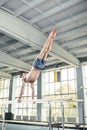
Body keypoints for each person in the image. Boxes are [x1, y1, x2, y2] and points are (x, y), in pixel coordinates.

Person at [18, 29, 56, 102]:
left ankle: (51, 38)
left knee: (46, 51)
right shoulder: (25, 79)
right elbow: (24, 89)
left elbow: (30, 90)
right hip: (38, 66)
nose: (25, 73)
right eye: (24, 74)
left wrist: (29, 98)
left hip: (40, 67)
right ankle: (50, 37)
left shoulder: (29, 81)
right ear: (23, 75)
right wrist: (23, 98)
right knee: (45, 50)